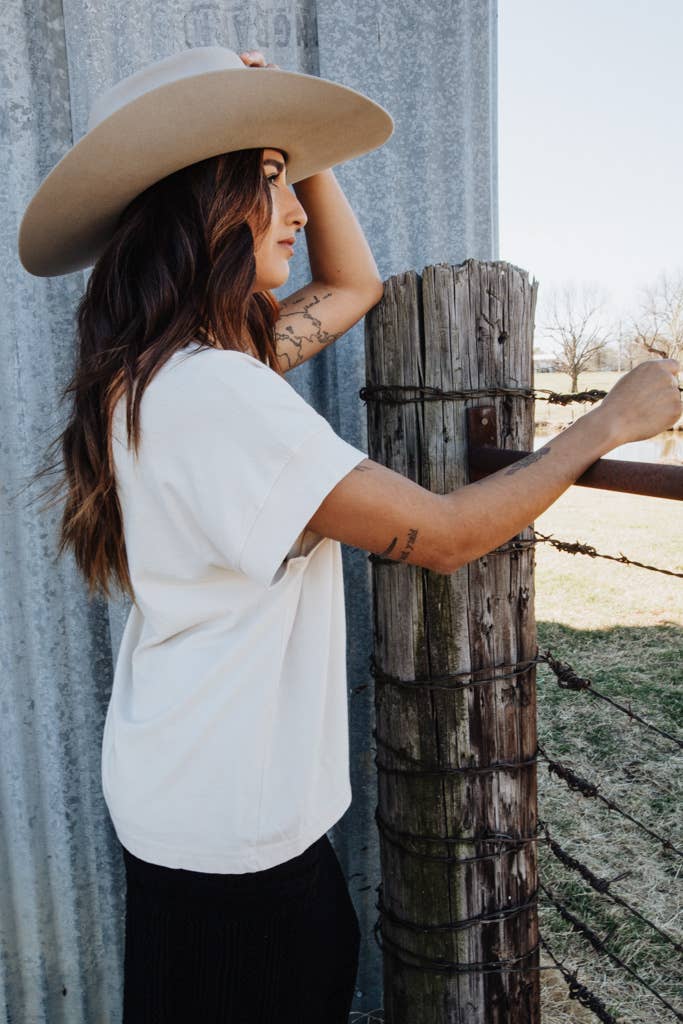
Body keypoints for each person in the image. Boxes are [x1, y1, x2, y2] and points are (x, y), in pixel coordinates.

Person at [17, 45, 680, 1024]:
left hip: (182, 812)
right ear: (208, 202)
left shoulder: (152, 375)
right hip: (243, 859)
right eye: (270, 186)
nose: (293, 212)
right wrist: (606, 424)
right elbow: (448, 532)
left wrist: (294, 139)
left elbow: (354, 282)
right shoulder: (219, 393)